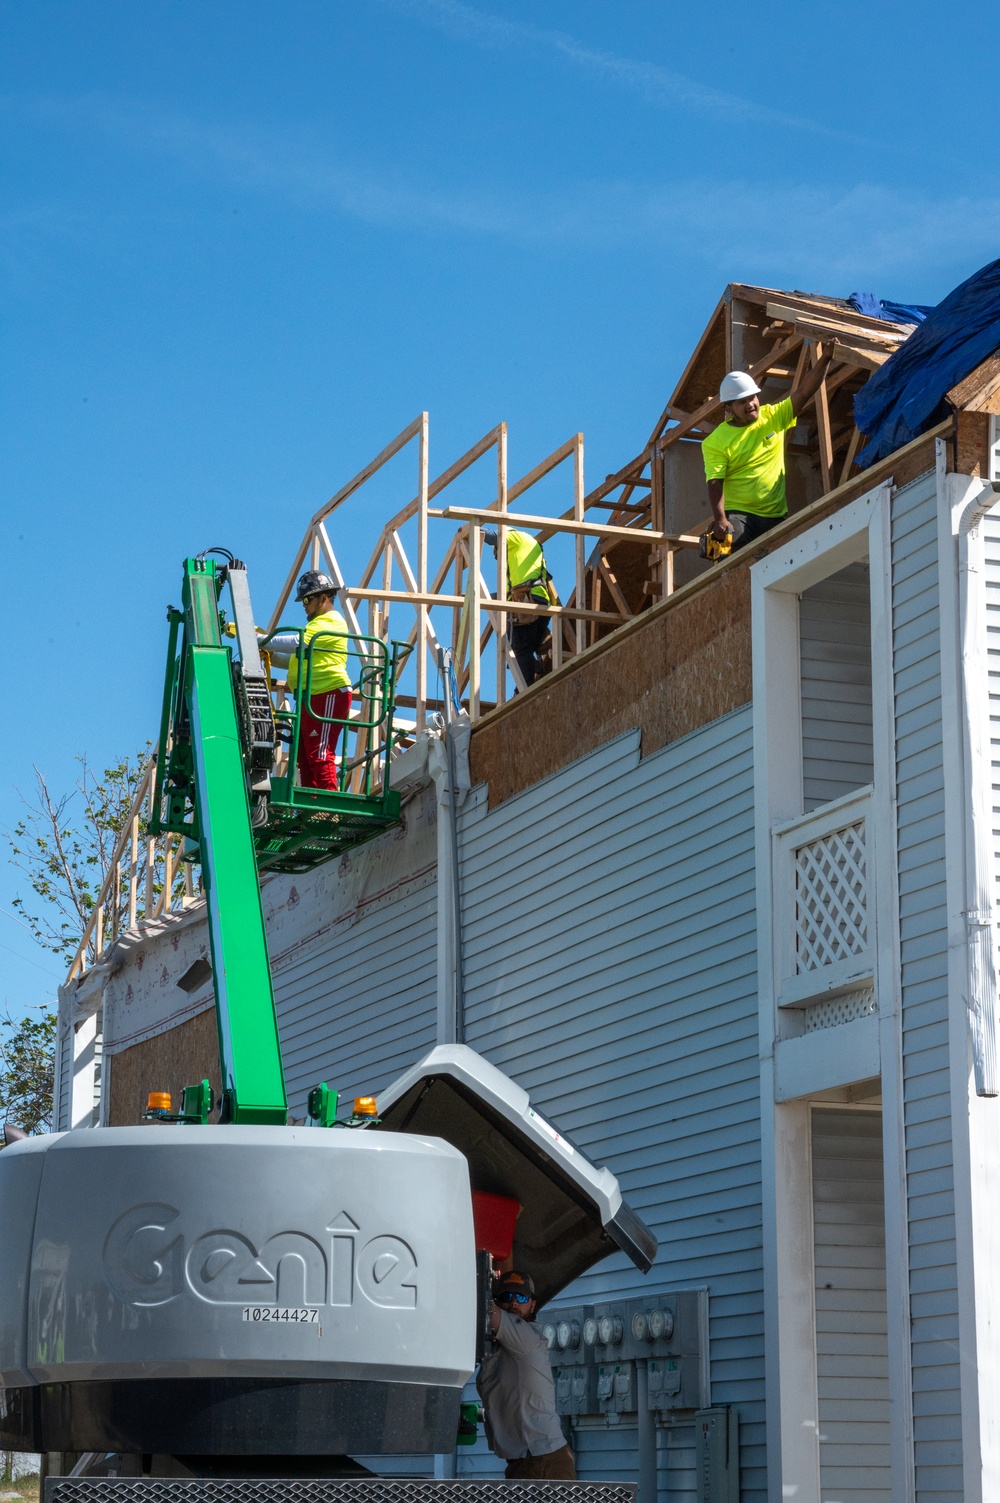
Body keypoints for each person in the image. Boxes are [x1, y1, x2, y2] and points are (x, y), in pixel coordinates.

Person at [702, 338, 840, 552]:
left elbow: (804, 391)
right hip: (739, 514)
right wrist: (720, 519)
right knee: (727, 545)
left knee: (786, 562)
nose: (750, 405)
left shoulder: (773, 416)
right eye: (742, 402)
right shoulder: (716, 441)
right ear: (728, 408)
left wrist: (826, 358)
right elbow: (714, 483)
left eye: (752, 398)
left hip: (775, 514)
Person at [476, 1269, 576, 1480]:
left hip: (541, 1460)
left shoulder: (524, 1335)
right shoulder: (497, 1347)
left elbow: (485, 1310)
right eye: (506, 1297)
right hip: (525, 1459)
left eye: (520, 1297)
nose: (513, 1303)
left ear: (533, 1304)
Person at [264, 571, 352, 791]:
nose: (304, 605)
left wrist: (261, 640)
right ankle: (312, 805)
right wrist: (270, 655)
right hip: (312, 697)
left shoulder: (331, 621)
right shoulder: (318, 625)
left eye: (307, 599)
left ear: (323, 597)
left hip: (328, 693)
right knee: (304, 758)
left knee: (320, 753)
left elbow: (297, 641)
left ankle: (326, 807)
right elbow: (296, 656)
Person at [482, 528, 556, 687]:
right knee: (525, 641)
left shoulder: (515, 537)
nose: (500, 560)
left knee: (520, 648)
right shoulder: (528, 550)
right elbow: (507, 594)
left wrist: (473, 530)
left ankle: (525, 689)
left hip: (527, 603)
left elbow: (493, 536)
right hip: (539, 603)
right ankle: (544, 641)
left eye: (499, 555)